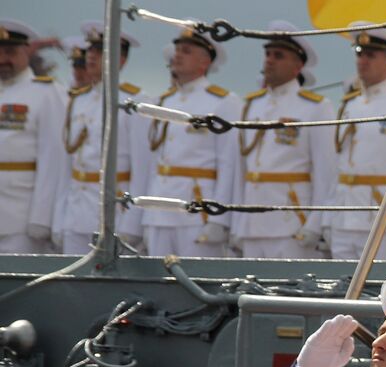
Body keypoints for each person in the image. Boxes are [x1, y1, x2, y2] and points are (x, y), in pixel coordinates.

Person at [231, 21, 334, 259]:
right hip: (252, 221)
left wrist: (314, 223)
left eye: (278, 55)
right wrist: (237, 222)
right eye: (267, 54)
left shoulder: (315, 108)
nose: (269, 60)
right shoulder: (251, 105)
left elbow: (325, 172)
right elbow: (241, 171)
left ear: (298, 65)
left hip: (290, 223)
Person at [327, 23, 386, 261]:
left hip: (384, 217)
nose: (362, 61)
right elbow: (336, 165)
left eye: (370, 56)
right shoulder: (350, 104)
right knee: (339, 293)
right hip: (344, 215)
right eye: (359, 55)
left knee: (381, 291)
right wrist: (326, 217)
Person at [141, 26, 239, 258]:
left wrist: (219, 219)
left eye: (186, 51)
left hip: (197, 212)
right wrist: (145, 214)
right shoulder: (163, 102)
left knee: (196, 284)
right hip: (159, 210)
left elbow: (228, 165)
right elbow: (152, 163)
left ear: (204, 62)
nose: (177, 56)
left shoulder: (222, 102)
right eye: (177, 50)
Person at [54, 22, 147, 254]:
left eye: (100, 51)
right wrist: (59, 218)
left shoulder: (133, 102)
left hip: (114, 212)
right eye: (90, 50)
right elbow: (66, 167)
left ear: (121, 59)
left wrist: (133, 222)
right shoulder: (78, 100)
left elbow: (142, 167)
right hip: (76, 212)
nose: (91, 57)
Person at [0, 18, 66, 253]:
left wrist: (42, 218)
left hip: (21, 217)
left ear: (26, 51)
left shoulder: (46, 93)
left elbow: (55, 160)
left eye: (9, 52)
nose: (2, 60)